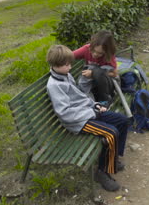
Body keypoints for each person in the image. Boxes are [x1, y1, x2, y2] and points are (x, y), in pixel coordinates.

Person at [46, 44, 129, 191]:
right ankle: (102, 172)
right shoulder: (54, 85)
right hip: (78, 122)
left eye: (70, 64)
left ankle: (113, 159)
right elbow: (65, 114)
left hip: (87, 113)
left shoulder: (65, 75)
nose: (70, 67)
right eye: (66, 65)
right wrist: (93, 113)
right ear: (55, 65)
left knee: (122, 120)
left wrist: (95, 105)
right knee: (111, 133)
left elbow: (80, 97)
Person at [73, 30, 119, 104]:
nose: (95, 54)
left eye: (100, 53)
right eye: (93, 50)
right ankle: (89, 102)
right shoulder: (86, 49)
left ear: (106, 51)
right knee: (87, 74)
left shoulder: (108, 56)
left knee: (95, 70)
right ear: (91, 45)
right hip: (91, 84)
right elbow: (70, 55)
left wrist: (94, 74)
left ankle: (104, 101)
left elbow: (114, 74)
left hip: (105, 85)